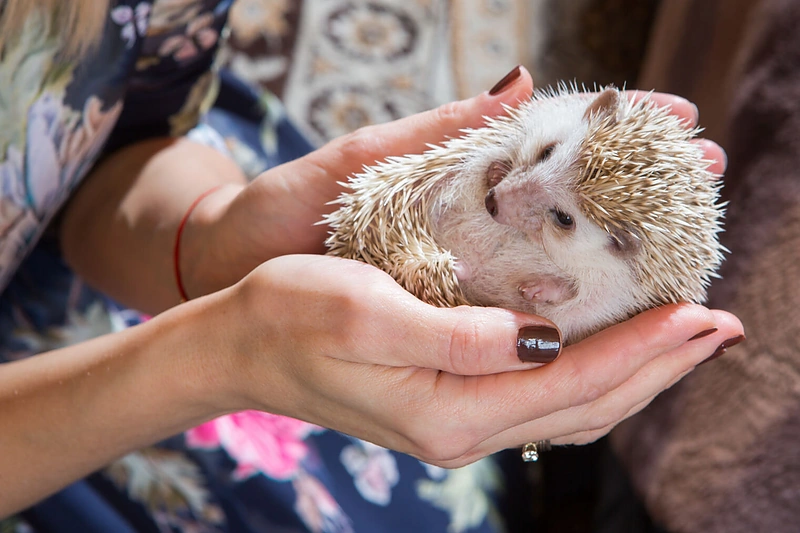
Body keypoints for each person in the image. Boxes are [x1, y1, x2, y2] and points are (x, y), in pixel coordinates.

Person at [0, 1, 744, 531]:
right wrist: (220, 354)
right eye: (545, 154)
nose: (513, 189)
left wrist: (210, 245)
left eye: (558, 217)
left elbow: (97, 145)